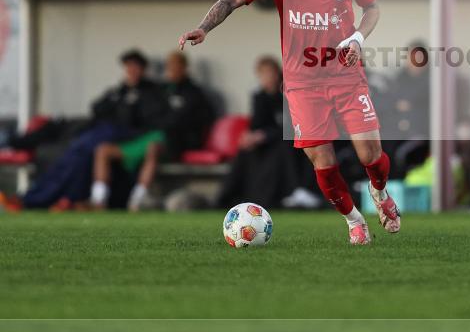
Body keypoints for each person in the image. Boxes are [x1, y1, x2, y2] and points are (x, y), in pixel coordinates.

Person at [178, 0, 398, 245]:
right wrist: (204, 27)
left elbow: (372, 10)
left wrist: (357, 38)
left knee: (370, 155)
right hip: (302, 84)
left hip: (345, 75)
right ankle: (355, 222)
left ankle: (380, 192)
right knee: (322, 162)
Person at [20, 49, 167, 210]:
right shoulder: (118, 91)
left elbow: (145, 120)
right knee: (73, 153)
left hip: (129, 138)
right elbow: (97, 108)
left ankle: (54, 199)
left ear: (142, 69)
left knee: (80, 155)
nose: (131, 71)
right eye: (128, 67)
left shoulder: (151, 92)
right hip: (105, 133)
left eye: (134, 67)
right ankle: (43, 198)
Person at [90, 51, 215, 211]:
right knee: (103, 150)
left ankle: (137, 200)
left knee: (152, 147)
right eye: (169, 67)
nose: (171, 70)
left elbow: (197, 121)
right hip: (147, 137)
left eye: (176, 66)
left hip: (175, 142)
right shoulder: (158, 91)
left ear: (184, 68)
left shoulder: (193, 93)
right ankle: (98, 200)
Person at [217, 56, 320, 210]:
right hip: (266, 143)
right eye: (263, 74)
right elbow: (257, 124)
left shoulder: (288, 95)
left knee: (284, 147)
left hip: (286, 141)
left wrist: (264, 135)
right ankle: (226, 198)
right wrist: (250, 136)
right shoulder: (259, 97)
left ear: (277, 74)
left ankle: (293, 191)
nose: (267, 78)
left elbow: (290, 125)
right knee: (244, 152)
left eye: (270, 73)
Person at [380, 40, 430, 177]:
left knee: (405, 155)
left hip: (421, 131)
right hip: (396, 130)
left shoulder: (432, 79)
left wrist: (410, 104)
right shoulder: (400, 77)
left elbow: (423, 104)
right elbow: (390, 101)